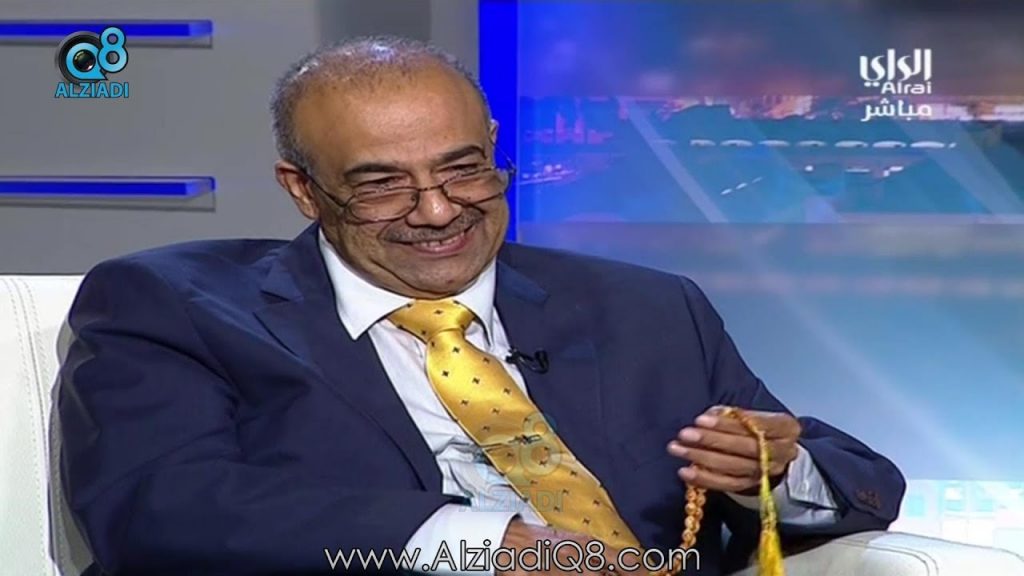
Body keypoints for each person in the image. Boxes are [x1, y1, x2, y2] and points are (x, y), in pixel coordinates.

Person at [59, 36, 905, 576]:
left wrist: (772, 470)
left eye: (463, 169)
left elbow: (861, 479)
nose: (437, 211)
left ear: (495, 149)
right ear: (304, 191)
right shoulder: (176, 304)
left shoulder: (643, 307)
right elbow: (160, 506)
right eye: (381, 184)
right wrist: (482, 546)